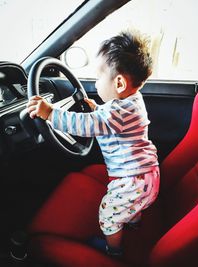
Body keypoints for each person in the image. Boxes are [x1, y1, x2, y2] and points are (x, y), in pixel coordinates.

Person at [27, 29, 160, 258]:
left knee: (108, 216)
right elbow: (110, 119)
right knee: (132, 203)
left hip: (131, 181)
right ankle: (132, 220)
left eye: (99, 77)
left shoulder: (116, 113)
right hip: (146, 176)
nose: (97, 83)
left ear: (119, 83)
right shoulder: (133, 100)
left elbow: (83, 125)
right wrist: (97, 109)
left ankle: (113, 250)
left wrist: (49, 113)